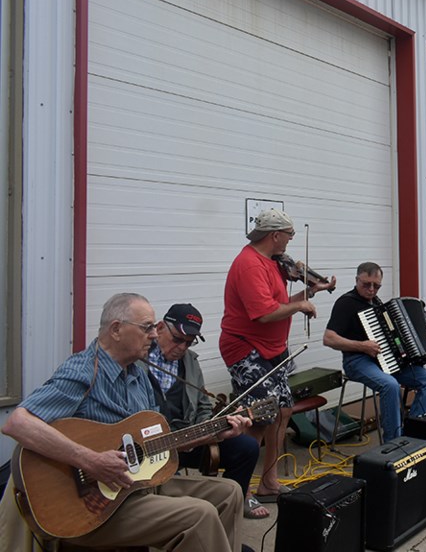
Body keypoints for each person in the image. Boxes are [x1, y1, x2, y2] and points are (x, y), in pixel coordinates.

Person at [0, 293, 248, 551]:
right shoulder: (83, 371)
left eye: (153, 327)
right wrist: (90, 460)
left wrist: (214, 434)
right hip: (96, 503)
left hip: (138, 485)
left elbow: (157, 443)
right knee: (199, 514)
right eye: (147, 327)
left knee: (229, 493)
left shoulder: (138, 376)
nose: (154, 334)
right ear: (116, 330)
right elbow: (18, 423)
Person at [219, 208, 336, 503]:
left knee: (282, 410)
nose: (290, 241)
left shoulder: (272, 262)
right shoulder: (249, 265)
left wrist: (311, 293)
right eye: (289, 235)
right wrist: (300, 307)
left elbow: (280, 302)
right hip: (246, 347)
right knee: (258, 417)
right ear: (275, 235)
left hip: (272, 348)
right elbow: (262, 314)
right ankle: (240, 490)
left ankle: (269, 481)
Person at [144, 303, 266, 520]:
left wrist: (209, 427)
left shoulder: (190, 361)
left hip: (187, 438)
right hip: (147, 445)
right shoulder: (137, 356)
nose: (182, 347)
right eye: (177, 339)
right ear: (160, 328)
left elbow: (202, 405)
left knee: (246, 447)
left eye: (188, 342)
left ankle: (228, 511)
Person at [323, 262, 426, 437]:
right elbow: (328, 338)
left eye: (376, 286)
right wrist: (361, 346)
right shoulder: (346, 303)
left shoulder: (377, 303)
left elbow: (396, 338)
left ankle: (414, 433)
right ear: (356, 280)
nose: (371, 290)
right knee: (390, 385)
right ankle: (394, 442)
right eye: (366, 284)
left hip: (385, 361)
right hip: (357, 361)